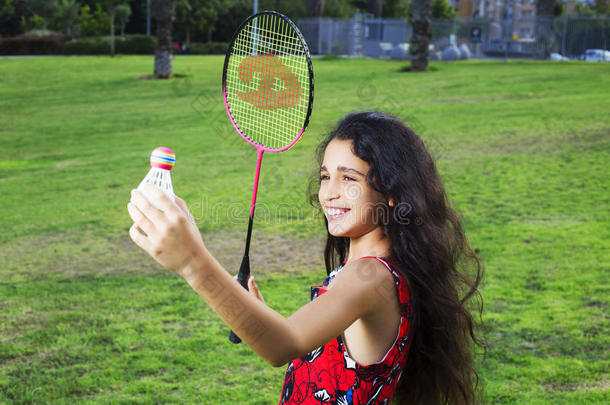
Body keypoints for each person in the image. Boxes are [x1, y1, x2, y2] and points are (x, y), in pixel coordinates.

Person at [127, 111, 484, 404]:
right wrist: (254, 315)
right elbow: (297, 341)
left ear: (391, 191)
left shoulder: (370, 279)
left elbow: (283, 344)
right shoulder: (375, 273)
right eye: (325, 176)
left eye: (349, 178)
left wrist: (192, 262)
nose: (329, 192)